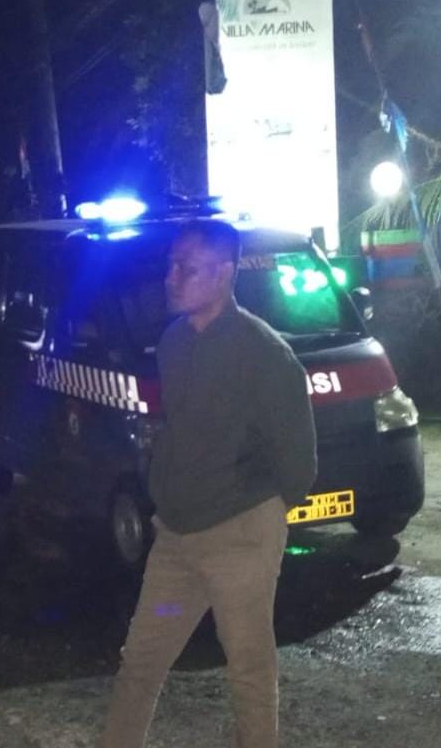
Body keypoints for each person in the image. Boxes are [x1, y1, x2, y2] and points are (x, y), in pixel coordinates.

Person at [101, 220, 317, 748]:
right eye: (171, 265)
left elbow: (298, 464)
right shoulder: (174, 343)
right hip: (177, 538)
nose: (171, 278)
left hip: (238, 539)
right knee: (141, 661)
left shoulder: (265, 355)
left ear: (223, 273)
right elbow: (180, 428)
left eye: (187, 268)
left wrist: (256, 520)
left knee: (247, 669)